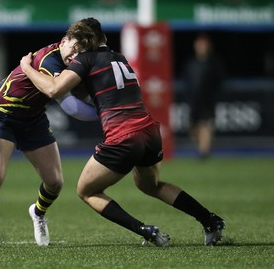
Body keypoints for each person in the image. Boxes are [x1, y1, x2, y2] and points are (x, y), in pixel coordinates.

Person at [20, 17, 225, 247]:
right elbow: (100, 90)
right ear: (105, 38)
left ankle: (146, 231)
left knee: (86, 191)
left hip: (124, 137)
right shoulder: (120, 58)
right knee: (150, 185)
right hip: (150, 132)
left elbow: (53, 89)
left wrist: (27, 67)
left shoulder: (86, 59)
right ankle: (210, 220)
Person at [0, 21, 99, 249]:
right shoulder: (49, 61)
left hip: (32, 119)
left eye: (81, 51)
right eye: (74, 47)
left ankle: (38, 213)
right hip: (3, 115)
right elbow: (70, 106)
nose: (75, 54)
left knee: (55, 183)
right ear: (63, 42)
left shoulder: (72, 63)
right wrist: (106, 112)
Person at [183, 33, 224, 159]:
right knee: (193, 129)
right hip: (194, 101)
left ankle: (204, 151)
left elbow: (220, 81)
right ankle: (202, 146)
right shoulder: (191, 63)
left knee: (205, 124)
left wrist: (215, 95)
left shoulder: (213, 64)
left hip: (208, 100)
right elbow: (186, 81)